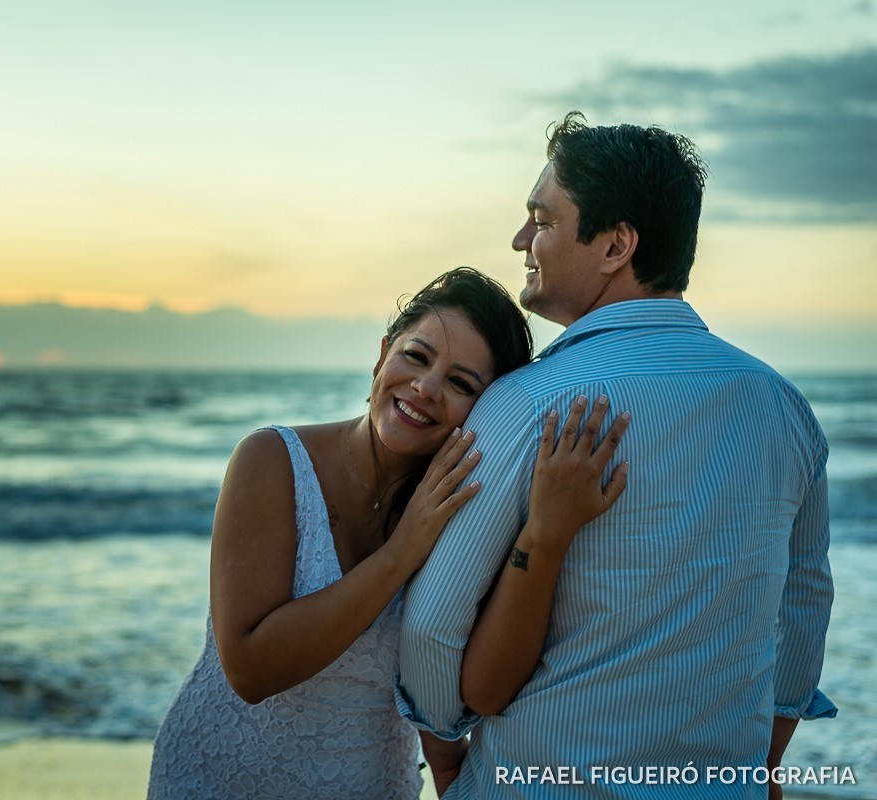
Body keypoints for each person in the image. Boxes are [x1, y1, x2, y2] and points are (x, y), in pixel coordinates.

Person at [398, 113, 836, 799]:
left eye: (541, 221)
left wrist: (445, 750)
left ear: (616, 245)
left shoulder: (529, 403)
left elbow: (430, 625)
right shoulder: (782, 408)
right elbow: (803, 606)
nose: (519, 240)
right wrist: (763, 763)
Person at [146, 267, 631, 799]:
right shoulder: (271, 460)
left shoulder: (462, 513)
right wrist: (401, 553)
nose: (425, 388)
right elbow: (250, 669)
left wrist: (546, 532)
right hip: (215, 779)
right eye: (416, 357)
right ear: (382, 354)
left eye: (461, 383)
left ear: (487, 412)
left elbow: (462, 692)